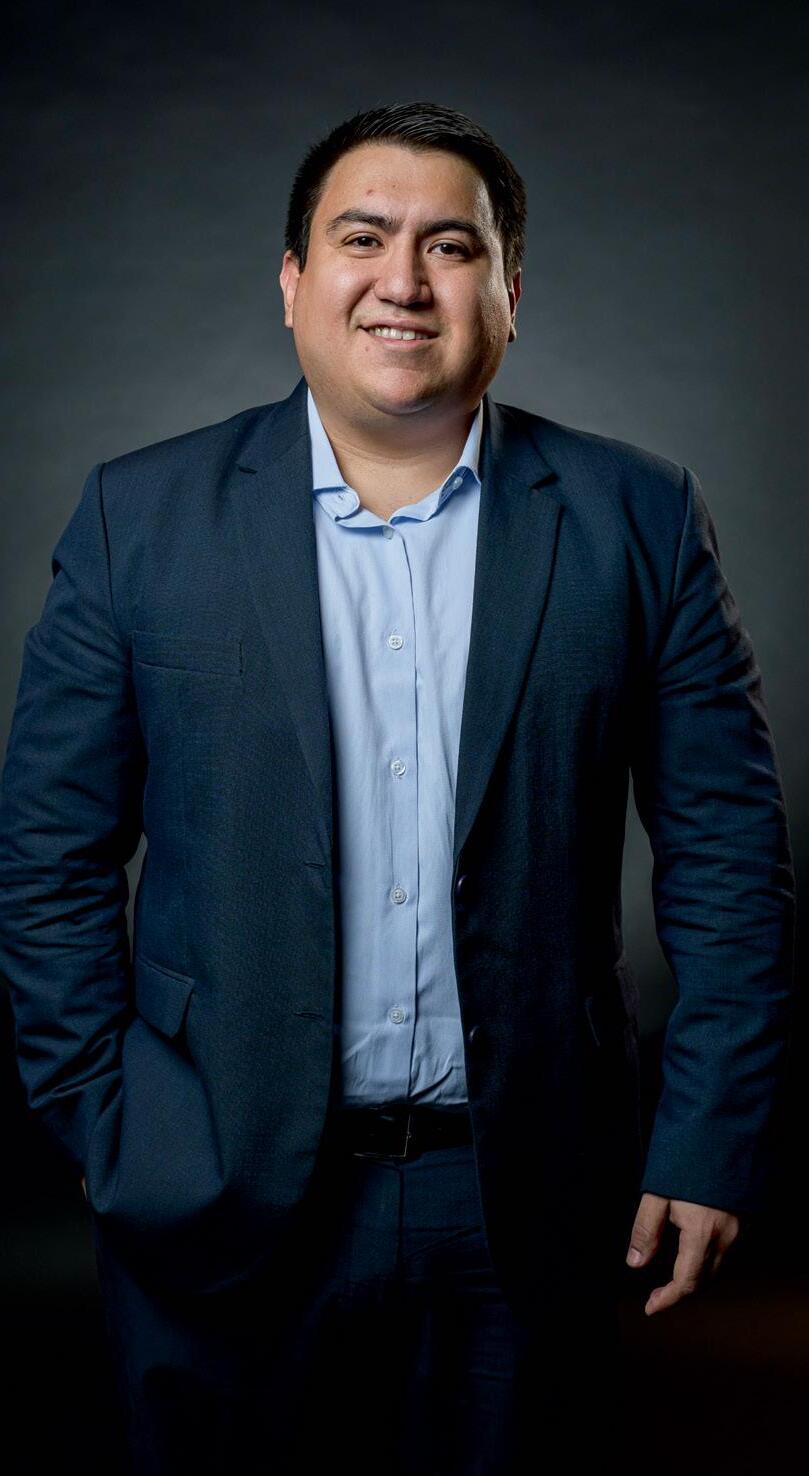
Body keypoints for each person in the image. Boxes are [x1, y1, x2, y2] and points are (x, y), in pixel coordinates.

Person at [0, 99, 796, 1474]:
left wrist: (706, 1141)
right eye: (361, 238)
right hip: (213, 1193)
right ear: (293, 280)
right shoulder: (141, 517)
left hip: (533, 1201)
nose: (405, 281)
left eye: (452, 246)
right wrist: (113, 1128)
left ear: (510, 291)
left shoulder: (637, 516)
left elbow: (729, 860)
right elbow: (46, 860)